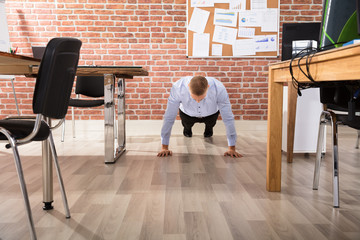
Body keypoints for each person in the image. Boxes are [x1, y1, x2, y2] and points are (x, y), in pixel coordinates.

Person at [157, 75, 242, 158]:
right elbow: (169, 116)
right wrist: (164, 147)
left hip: (211, 114)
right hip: (188, 114)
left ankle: (208, 130)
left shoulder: (218, 88)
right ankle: (187, 129)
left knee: (209, 130)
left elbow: (228, 118)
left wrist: (232, 148)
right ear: (188, 86)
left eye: (201, 99)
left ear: (208, 87)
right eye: (194, 99)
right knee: (187, 129)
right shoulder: (178, 87)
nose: (197, 102)